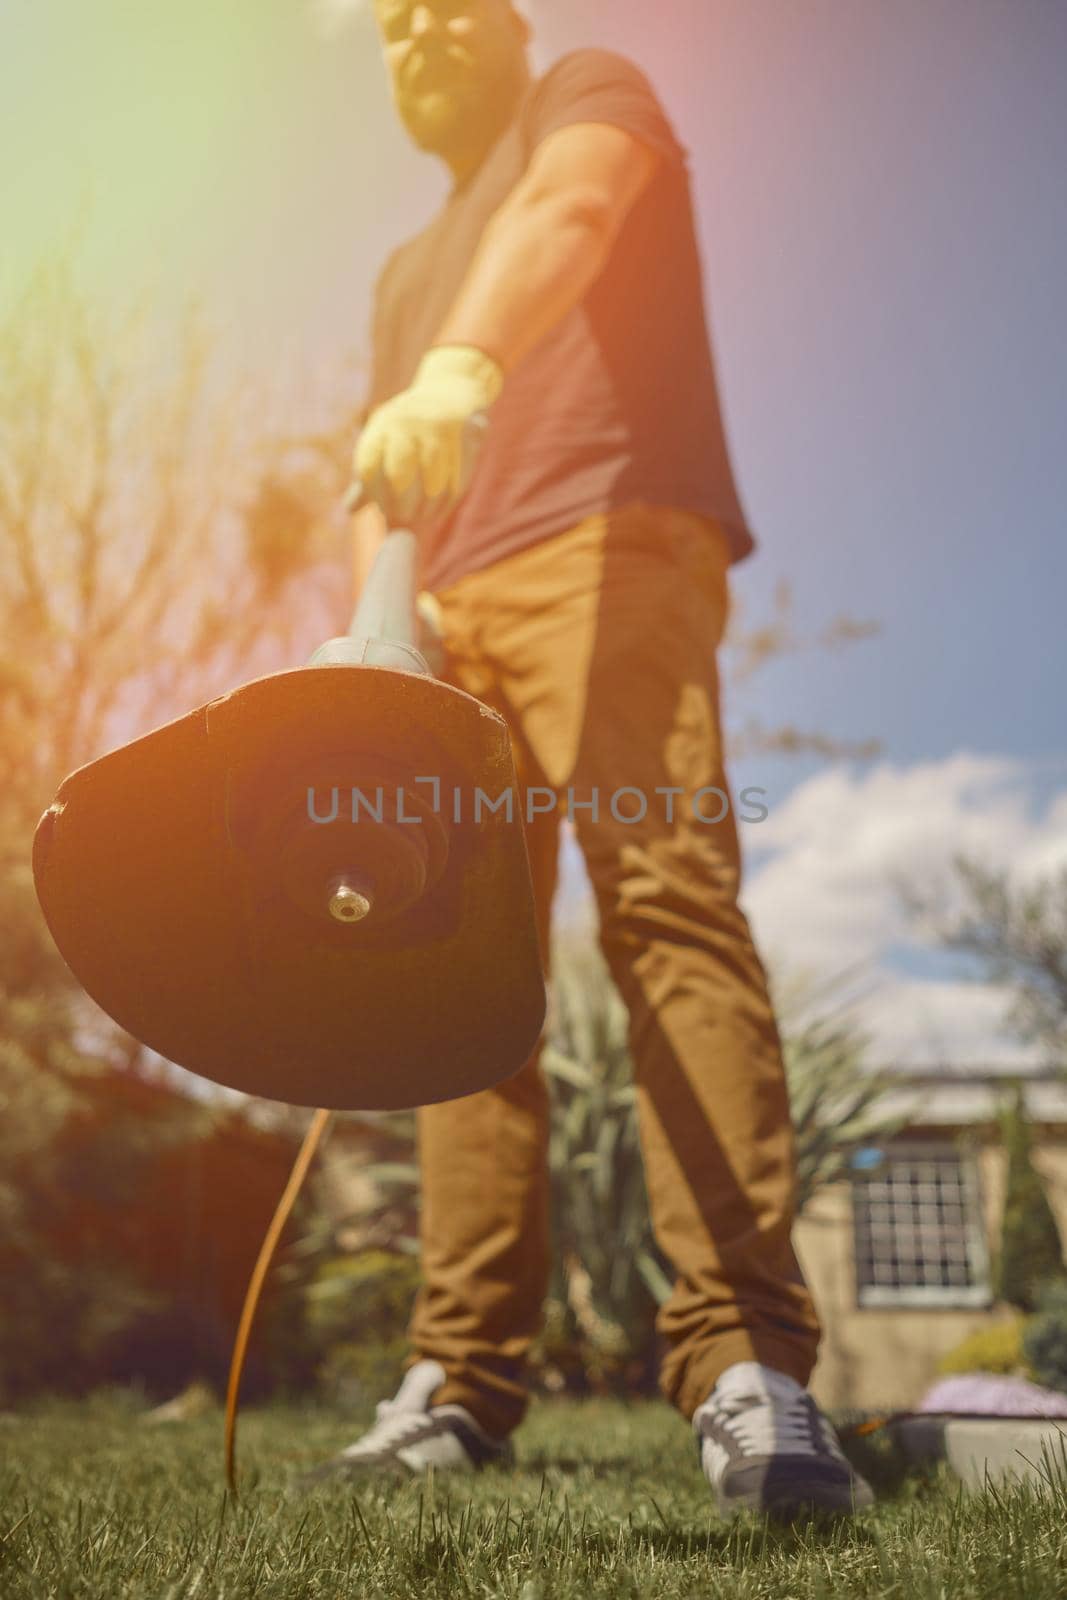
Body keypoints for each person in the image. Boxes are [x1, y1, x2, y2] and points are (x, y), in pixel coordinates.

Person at [309, 0, 875, 1521]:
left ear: (511, 29)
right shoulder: (396, 273)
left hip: (610, 547)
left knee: (665, 908)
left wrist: (463, 370)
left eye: (447, 8)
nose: (418, 33)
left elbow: (571, 207)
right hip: (452, 616)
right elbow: (379, 470)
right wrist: (383, 611)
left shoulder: (589, 93)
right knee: (453, 973)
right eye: (389, 24)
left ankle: (747, 1362)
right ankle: (460, 1380)